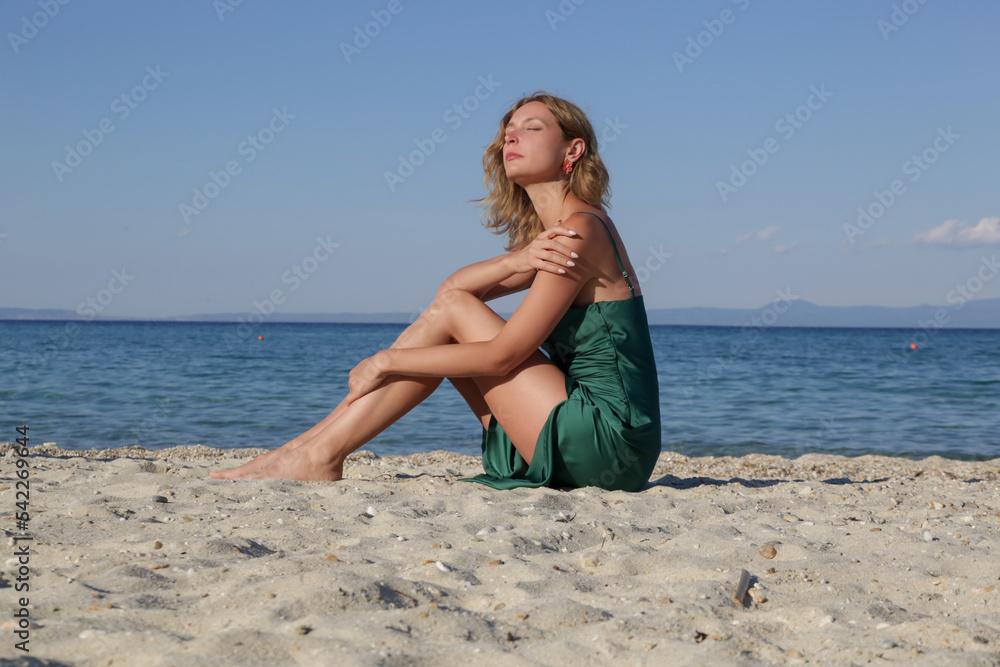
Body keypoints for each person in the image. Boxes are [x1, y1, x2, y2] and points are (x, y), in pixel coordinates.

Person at [210, 92, 661, 491]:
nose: (512, 138)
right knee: (450, 311)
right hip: (578, 427)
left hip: (609, 442)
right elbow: (449, 293)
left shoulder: (580, 231)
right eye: (508, 131)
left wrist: (386, 361)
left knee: (451, 316)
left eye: (531, 127)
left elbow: (502, 354)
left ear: (573, 149)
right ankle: (308, 449)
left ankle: (316, 453)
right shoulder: (552, 239)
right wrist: (518, 259)